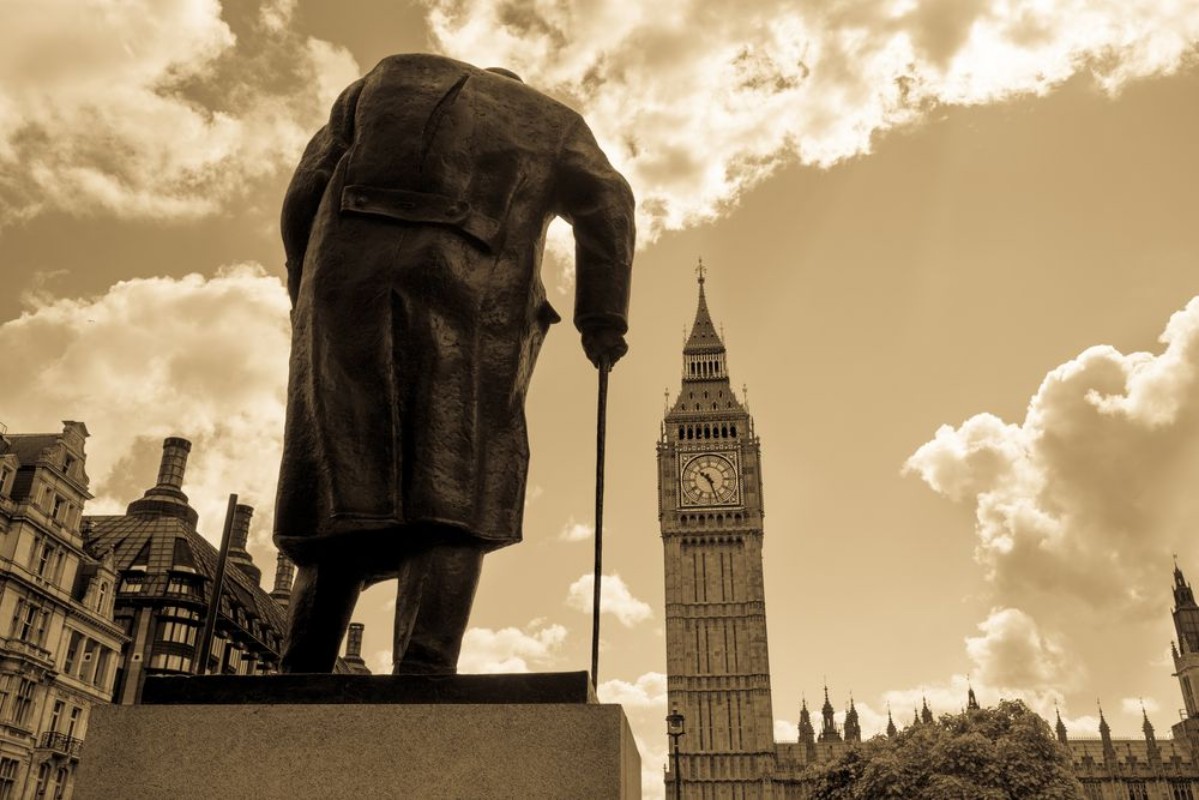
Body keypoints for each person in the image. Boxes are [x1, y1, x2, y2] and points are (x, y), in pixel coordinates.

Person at [272, 53, 635, 674]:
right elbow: (610, 199)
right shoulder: (554, 121)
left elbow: (304, 193)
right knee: (456, 479)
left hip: (343, 283)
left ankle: (303, 663)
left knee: (340, 475)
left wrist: (305, 286)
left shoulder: (383, 77)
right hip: (472, 295)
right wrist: (602, 318)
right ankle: (424, 667)